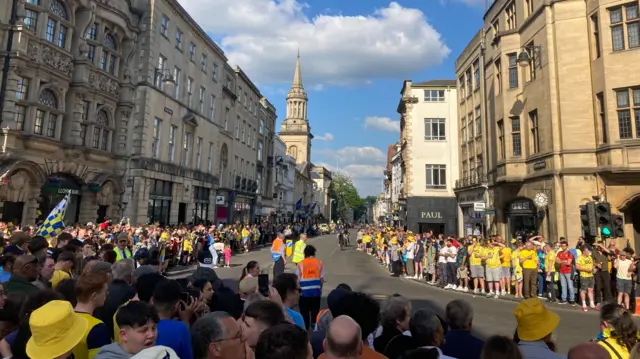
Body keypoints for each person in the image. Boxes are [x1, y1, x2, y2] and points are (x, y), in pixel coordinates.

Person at [95, 301, 160, 359]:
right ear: (124, 335)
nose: (151, 335)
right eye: (143, 330)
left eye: (153, 328)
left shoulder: (162, 354)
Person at [152, 280, 196, 359]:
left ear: (152, 301)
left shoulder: (142, 326)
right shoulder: (180, 328)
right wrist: (186, 320)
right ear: (176, 305)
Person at [73, 271, 112, 359]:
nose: (107, 294)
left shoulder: (64, 317)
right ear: (94, 296)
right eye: (105, 291)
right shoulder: (96, 328)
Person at [296, 245, 324, 329]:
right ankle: (314, 325)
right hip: (316, 291)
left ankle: (306, 326)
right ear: (314, 253)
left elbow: (297, 279)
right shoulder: (319, 263)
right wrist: (320, 289)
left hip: (303, 293)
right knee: (315, 310)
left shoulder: (300, 264)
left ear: (305, 253)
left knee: (304, 312)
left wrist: (298, 291)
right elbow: (321, 279)